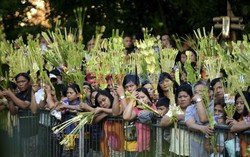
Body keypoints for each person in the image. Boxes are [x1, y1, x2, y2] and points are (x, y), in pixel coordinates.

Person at [161, 83, 193, 156]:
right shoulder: (174, 109)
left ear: (191, 98)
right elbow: (163, 122)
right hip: (175, 150)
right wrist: (177, 117)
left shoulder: (195, 109)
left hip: (191, 151)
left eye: (185, 96)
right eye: (180, 97)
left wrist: (182, 116)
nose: (182, 99)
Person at [123, 88, 157, 156]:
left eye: (143, 97)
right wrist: (132, 100)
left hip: (153, 144)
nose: (141, 100)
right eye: (138, 98)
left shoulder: (153, 107)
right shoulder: (137, 109)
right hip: (141, 148)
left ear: (148, 96)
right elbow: (126, 117)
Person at [94, 90, 124, 157]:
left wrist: (102, 110)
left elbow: (117, 111)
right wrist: (106, 113)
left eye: (104, 100)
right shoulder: (103, 112)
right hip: (107, 146)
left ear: (109, 96)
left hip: (120, 147)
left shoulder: (119, 103)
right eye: (100, 103)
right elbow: (94, 120)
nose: (103, 103)